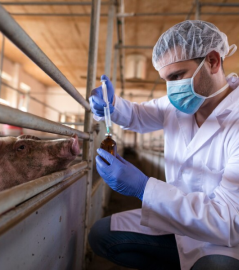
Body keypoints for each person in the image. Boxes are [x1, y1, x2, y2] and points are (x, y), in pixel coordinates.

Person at [88, 20, 239, 270]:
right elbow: (137, 115)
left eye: (177, 76)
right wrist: (111, 106)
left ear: (213, 61)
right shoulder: (179, 105)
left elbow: (228, 220)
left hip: (225, 240)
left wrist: (143, 188)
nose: (172, 90)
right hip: (177, 223)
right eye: (166, 80)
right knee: (102, 234)